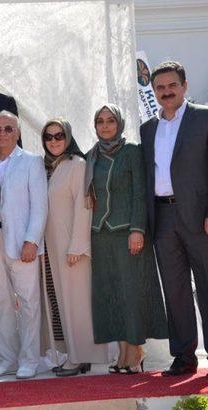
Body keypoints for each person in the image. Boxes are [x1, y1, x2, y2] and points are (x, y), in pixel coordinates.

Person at [140, 61, 208, 378]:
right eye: (160, 88)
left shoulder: (207, 118)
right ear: (154, 92)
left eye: (172, 86)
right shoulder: (148, 128)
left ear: (184, 86)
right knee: (175, 291)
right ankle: (183, 356)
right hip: (163, 218)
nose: (166, 92)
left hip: (200, 219)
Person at [86, 104, 168, 375]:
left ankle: (135, 350)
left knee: (131, 293)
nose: (106, 125)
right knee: (112, 294)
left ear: (119, 124)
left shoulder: (132, 151)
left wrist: (137, 229)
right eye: (100, 121)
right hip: (100, 234)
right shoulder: (91, 155)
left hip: (127, 232)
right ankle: (122, 351)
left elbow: (139, 193)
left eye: (111, 120)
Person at [40, 118, 109, 377]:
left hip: (72, 248)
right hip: (52, 247)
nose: (54, 140)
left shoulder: (77, 165)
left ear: (68, 137)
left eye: (59, 135)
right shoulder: (50, 166)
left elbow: (85, 205)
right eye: (49, 136)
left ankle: (80, 357)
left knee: (77, 303)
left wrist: (77, 246)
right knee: (63, 303)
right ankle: (75, 354)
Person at [0, 111, 47, 379]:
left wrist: (32, 240)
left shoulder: (32, 162)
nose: (2, 133)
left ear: (18, 132)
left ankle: (30, 359)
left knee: (28, 302)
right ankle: (4, 358)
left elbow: (40, 206)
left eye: (8, 128)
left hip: (23, 242)